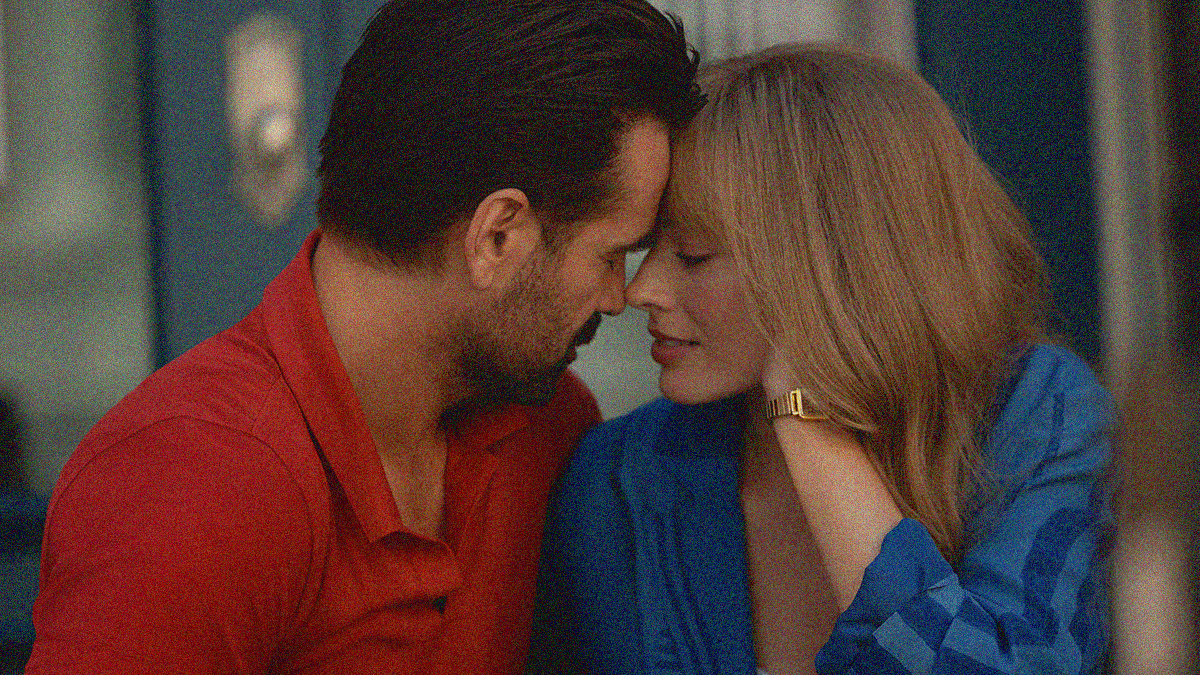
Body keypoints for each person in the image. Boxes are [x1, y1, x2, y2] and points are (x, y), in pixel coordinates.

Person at [27, 2, 702, 673]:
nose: (618, 297)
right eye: (612, 256)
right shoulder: (192, 485)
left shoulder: (548, 425)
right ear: (497, 236)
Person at [530, 44, 1112, 675]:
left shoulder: (1041, 415)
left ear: (833, 267)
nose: (641, 290)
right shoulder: (617, 478)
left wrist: (808, 420)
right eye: (647, 251)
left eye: (693, 256)